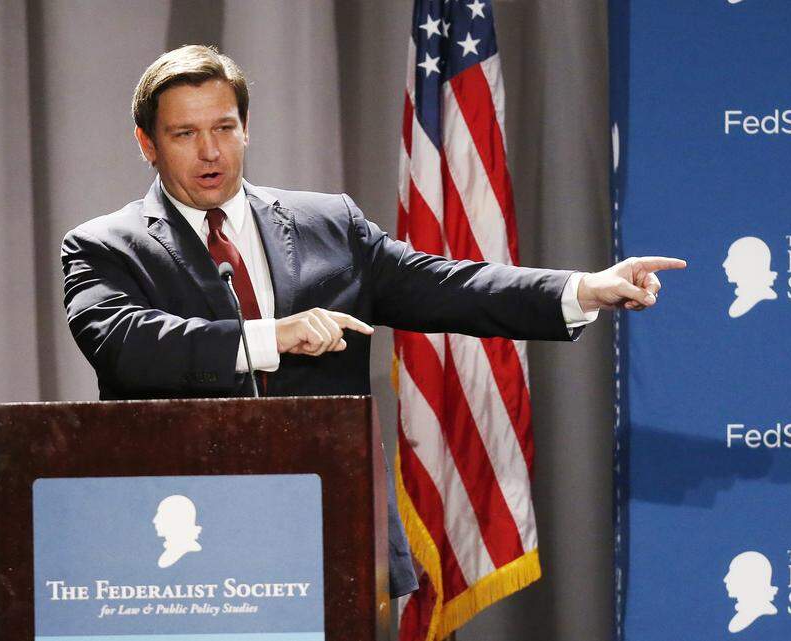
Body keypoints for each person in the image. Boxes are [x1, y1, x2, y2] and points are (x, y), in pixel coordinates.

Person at [61, 45, 686, 598]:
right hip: (179, 546)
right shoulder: (104, 246)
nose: (210, 151)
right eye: (184, 134)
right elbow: (123, 345)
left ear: (247, 128)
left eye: (224, 127)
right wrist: (267, 336)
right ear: (146, 143)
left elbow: (449, 286)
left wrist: (582, 289)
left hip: (325, 527)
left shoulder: (328, 225)